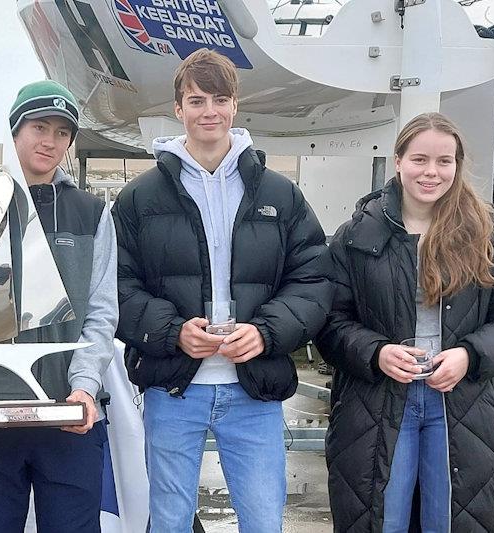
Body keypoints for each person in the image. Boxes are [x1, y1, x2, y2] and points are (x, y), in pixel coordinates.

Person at [111, 48, 332, 533]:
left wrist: (266, 332)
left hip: (254, 389)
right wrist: (171, 332)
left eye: (219, 98)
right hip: (174, 389)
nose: (208, 110)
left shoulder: (280, 194)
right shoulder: (139, 198)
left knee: (262, 523)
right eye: (196, 100)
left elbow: (314, 279)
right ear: (178, 109)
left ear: (235, 105)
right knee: (167, 523)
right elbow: (114, 285)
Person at [315, 112, 494, 532]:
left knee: (451, 521)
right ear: (398, 161)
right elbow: (329, 320)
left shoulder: (489, 233)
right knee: (383, 518)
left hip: (467, 404)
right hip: (375, 404)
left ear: (457, 165)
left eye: (444, 161)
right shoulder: (357, 234)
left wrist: (470, 355)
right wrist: (377, 352)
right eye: (419, 159)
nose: (431, 172)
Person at [0, 80, 118, 533]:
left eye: (61, 132)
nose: (49, 141)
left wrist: (85, 386)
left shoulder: (92, 214)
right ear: (15, 131)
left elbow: (101, 313)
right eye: (39, 127)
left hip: (68, 415)